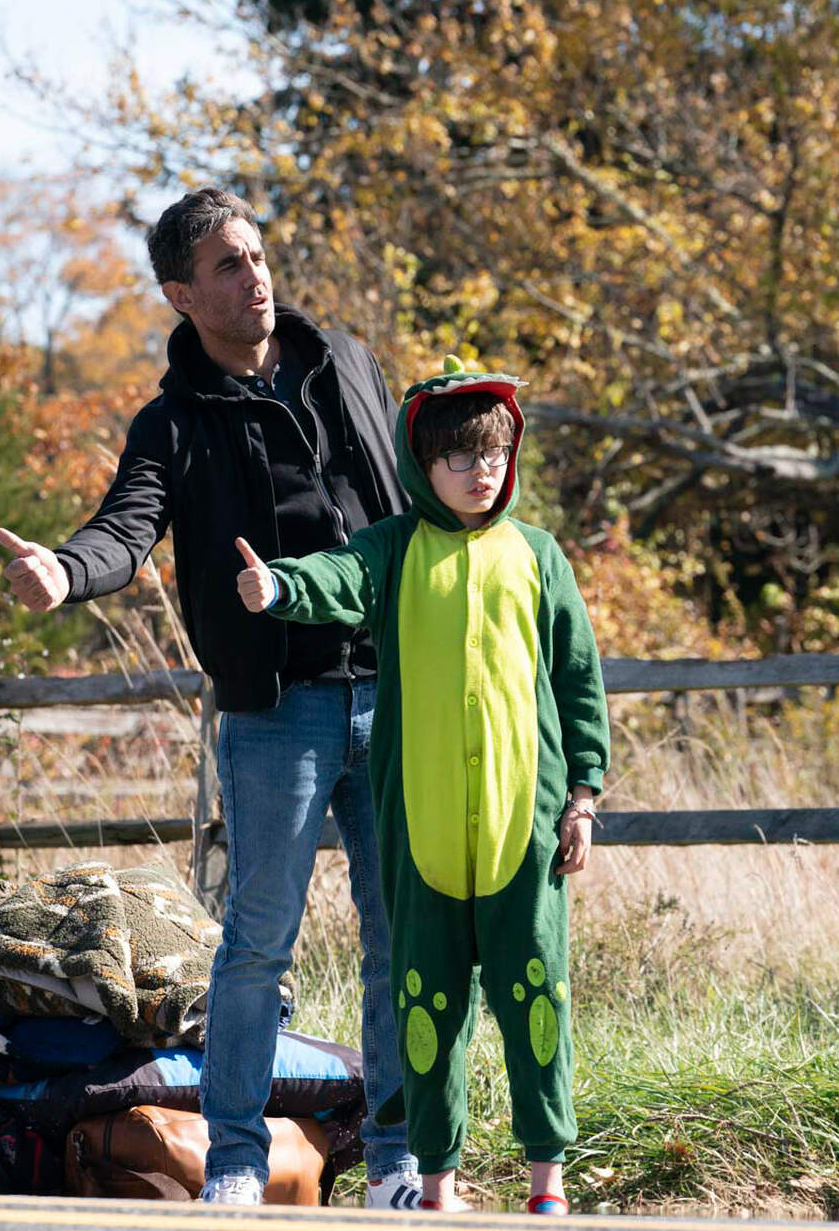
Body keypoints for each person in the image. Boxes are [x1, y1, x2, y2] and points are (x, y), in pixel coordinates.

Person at [0, 188, 422, 1208]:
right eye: (228, 265)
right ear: (183, 293)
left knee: (400, 936)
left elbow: (415, 503)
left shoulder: (347, 365)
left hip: (397, 692)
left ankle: (401, 1159)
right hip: (280, 708)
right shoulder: (174, 421)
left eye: (258, 255)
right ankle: (232, 1158)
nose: (255, 275)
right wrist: (66, 570)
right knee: (258, 943)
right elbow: (125, 525)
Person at [235, 355, 610, 1215]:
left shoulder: (540, 556)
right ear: (422, 465)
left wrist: (583, 797)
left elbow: (579, 680)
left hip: (528, 831)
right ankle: (435, 1189)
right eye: (457, 458)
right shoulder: (395, 551)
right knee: (427, 1010)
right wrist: (279, 586)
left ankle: (546, 1185)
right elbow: (335, 578)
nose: (479, 472)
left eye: (491, 455)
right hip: (421, 831)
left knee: (535, 1001)